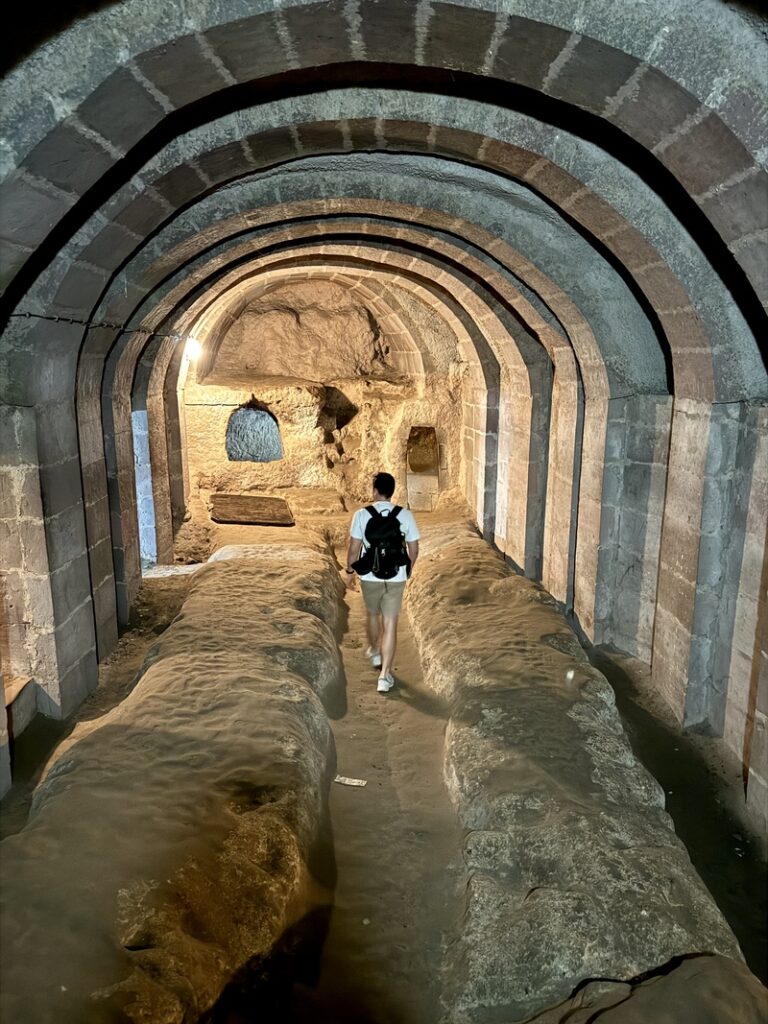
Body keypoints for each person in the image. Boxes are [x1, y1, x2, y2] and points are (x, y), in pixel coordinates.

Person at [345, 472, 420, 693]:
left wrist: (350, 571)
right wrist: (407, 570)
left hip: (369, 575)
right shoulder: (405, 515)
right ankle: (385, 676)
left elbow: (353, 549)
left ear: (375, 491)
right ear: (392, 492)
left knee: (372, 615)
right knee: (391, 623)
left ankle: (374, 650)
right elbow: (414, 549)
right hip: (396, 575)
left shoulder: (361, 515)